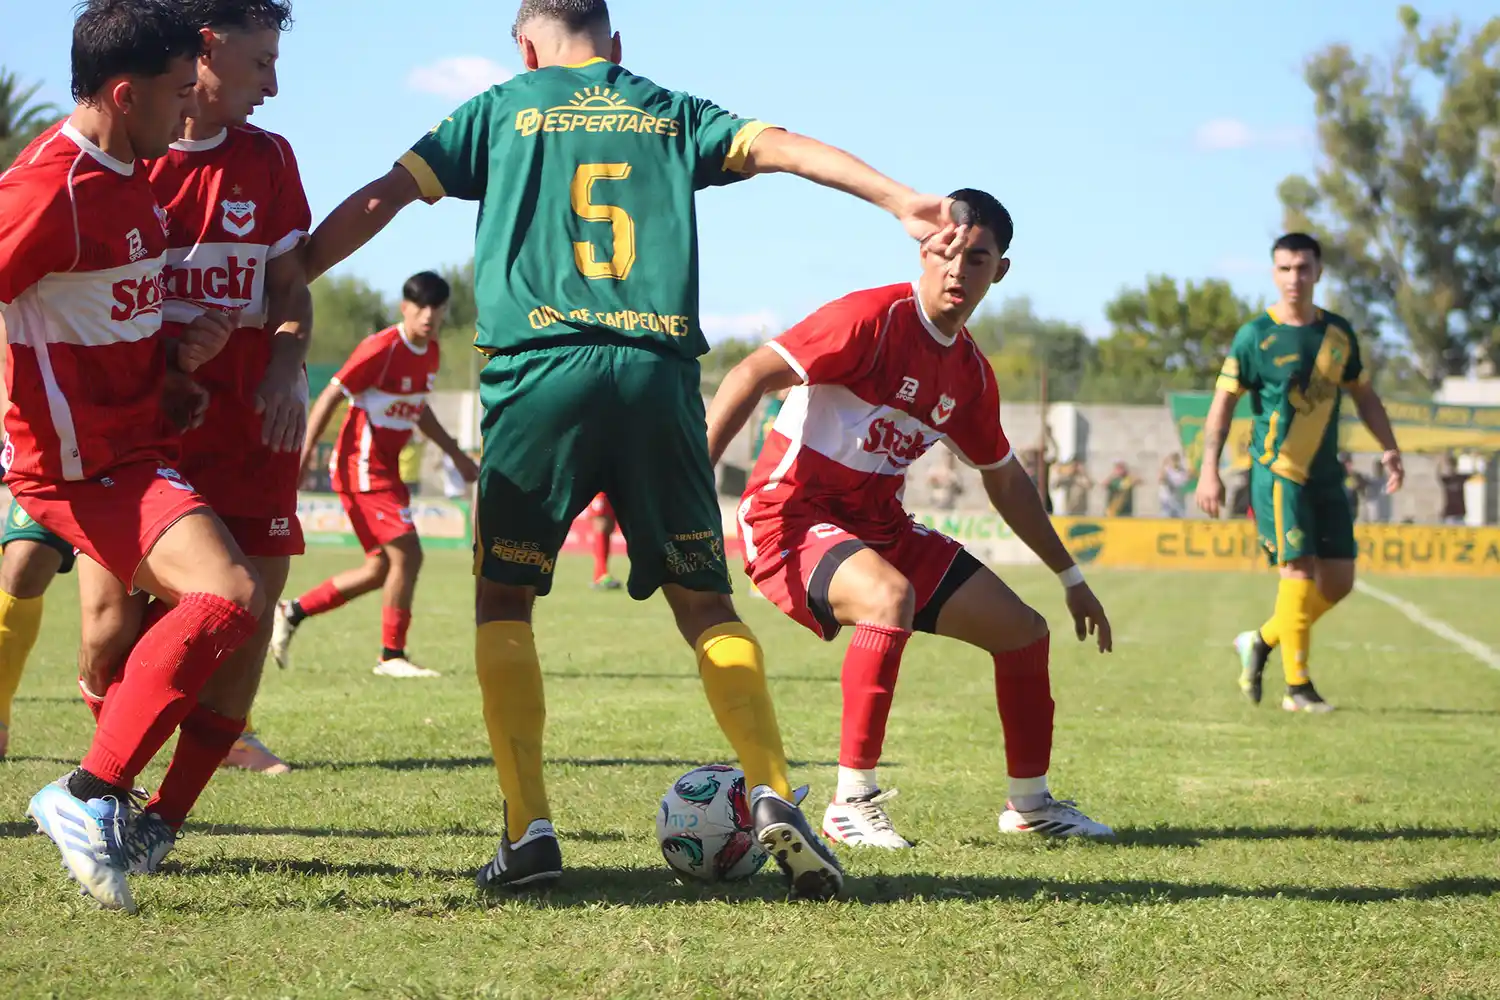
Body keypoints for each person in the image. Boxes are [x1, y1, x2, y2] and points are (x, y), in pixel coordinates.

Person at [301, 0, 960, 900]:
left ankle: (529, 827)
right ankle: (770, 789)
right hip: (656, 377)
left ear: (527, 45)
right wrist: (899, 199)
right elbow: (786, 147)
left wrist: (288, 276)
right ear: (616, 47)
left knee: (505, 597)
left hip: (539, 376)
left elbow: (384, 194)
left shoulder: (497, 108)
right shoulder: (667, 109)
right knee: (702, 602)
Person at [705, 190, 1114, 849]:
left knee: (1023, 633)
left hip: (880, 528)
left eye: (977, 258)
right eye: (946, 253)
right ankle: (850, 802)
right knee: (888, 597)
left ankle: (1031, 805)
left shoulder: (972, 376)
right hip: (789, 518)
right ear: (924, 249)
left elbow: (1006, 480)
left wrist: (1070, 576)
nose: (958, 270)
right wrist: (695, 485)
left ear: (998, 271)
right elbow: (751, 372)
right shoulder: (869, 319)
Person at [2, 0, 267, 913]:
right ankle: (85, 796)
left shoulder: (130, 177)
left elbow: (97, 312)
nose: (190, 100)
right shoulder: (47, 188)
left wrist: (171, 357)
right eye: (174, 88)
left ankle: (103, 798)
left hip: (132, 444)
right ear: (124, 94)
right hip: (76, 465)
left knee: (223, 605)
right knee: (226, 597)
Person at [70, 1, 309, 828]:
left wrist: (285, 364)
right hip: (137, 431)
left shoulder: (270, 159)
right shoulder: (118, 162)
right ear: (206, 51)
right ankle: (107, 787)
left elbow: (289, 288)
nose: (274, 86)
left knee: (241, 629)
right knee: (110, 628)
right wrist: (172, 360)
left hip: (249, 432)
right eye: (261, 64)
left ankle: (159, 823)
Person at [1197, 232, 1403, 713]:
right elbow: (1221, 406)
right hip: (1278, 472)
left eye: (1303, 268)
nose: (1295, 278)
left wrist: (1390, 447)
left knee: (1338, 583)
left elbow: (1365, 396)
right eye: (1285, 269)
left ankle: (1261, 640)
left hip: (1326, 473)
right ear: (1273, 273)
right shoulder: (1255, 336)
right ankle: (1298, 688)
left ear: (1318, 272)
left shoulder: (1338, 334)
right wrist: (1209, 469)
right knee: (1297, 570)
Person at [272, 272, 478, 678]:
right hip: (360, 470)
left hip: (386, 474)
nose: (428, 316)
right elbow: (330, 394)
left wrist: (456, 454)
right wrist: (304, 454)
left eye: (436, 308)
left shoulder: (431, 353)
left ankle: (292, 611)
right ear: (405, 308)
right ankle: (391, 656)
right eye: (421, 307)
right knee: (409, 554)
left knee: (380, 569)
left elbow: (418, 410)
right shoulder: (381, 348)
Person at [0, 318, 77, 761]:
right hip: (47, 444)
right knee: (23, 565)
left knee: (169, 591)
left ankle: (232, 729)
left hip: (137, 432)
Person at [587, 493, 621, 590]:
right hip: (600, 489)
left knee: (608, 527)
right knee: (601, 524)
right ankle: (601, 574)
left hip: (615, 486)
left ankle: (600, 574)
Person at [1438, 454, 1467, 525]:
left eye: (1452, 466)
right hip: (1449, 513)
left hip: (1459, 512)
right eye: (1450, 466)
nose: (1451, 468)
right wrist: (1441, 461)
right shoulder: (1446, 479)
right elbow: (1438, 473)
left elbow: (1475, 473)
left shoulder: (1460, 477)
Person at [1158, 453, 1188, 518]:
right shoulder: (1167, 470)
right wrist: (1163, 465)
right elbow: (1161, 479)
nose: (1175, 462)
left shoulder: (1182, 472)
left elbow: (1182, 483)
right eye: (1173, 460)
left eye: (1176, 460)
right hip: (1167, 503)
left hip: (1178, 503)